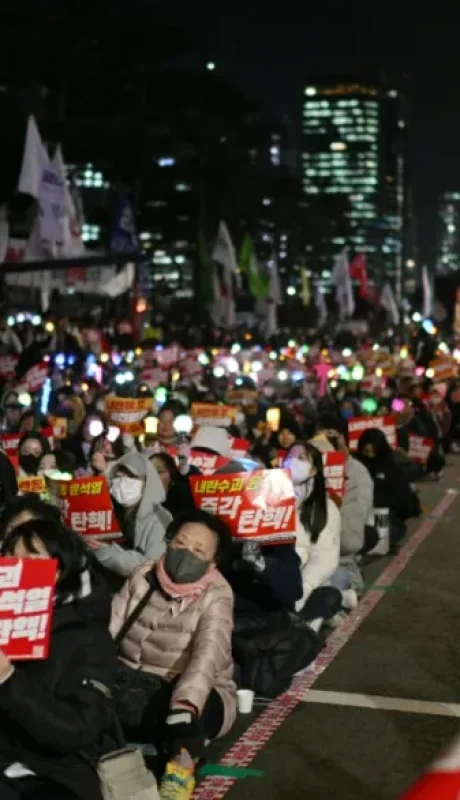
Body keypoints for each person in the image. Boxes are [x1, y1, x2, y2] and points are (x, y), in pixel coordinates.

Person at [0, 518, 118, 800]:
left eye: (32, 559)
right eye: (8, 558)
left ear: (57, 571)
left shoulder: (88, 637)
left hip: (52, 775)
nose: (17, 567)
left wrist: (8, 679)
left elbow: (76, 730)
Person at [110, 509, 236, 757]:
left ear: (214, 560)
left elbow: (206, 659)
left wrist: (185, 705)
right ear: (168, 541)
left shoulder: (218, 594)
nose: (186, 553)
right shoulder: (142, 576)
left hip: (191, 689)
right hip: (132, 680)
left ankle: (182, 765)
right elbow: (109, 630)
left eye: (199, 550)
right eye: (180, 542)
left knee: (182, 717)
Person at [89, 451, 172, 590]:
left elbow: (152, 567)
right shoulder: (110, 510)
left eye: (131, 477)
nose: (123, 481)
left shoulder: (159, 519)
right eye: (118, 476)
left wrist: (105, 552)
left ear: (147, 482)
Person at [316, 414, 374, 594]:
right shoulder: (302, 469)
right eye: (320, 438)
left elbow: (350, 543)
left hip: (339, 559)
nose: (325, 443)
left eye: (332, 437)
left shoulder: (356, 472)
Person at [284, 442, 342, 621]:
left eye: (301, 458)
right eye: (289, 457)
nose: (292, 462)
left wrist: (301, 591)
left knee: (330, 597)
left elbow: (325, 558)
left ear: (314, 470)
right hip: (272, 579)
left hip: (303, 584)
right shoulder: (269, 499)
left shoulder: (325, 509)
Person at [356, 428, 421, 549]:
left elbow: (402, 504)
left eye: (373, 453)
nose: (370, 458)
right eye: (366, 453)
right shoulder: (354, 465)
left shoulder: (392, 469)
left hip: (385, 517)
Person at [151, 452, 195, 517]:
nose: (152, 475)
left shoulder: (183, 497)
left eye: (159, 471)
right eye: (149, 471)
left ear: (172, 475)